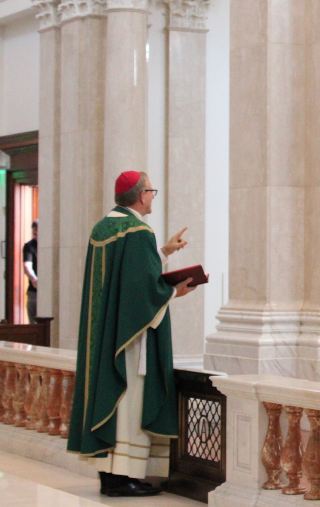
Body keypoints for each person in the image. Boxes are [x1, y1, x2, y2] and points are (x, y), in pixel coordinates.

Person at [67, 171, 200, 497]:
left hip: (107, 334)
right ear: (141, 196)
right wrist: (174, 293)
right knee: (129, 402)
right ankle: (124, 477)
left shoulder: (105, 227)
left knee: (114, 400)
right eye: (151, 191)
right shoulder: (138, 231)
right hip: (132, 340)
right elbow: (142, 289)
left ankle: (110, 475)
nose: (153, 196)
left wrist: (164, 252)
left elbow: (123, 277)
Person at [22, 220, 38, 323]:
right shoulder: (29, 246)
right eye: (34, 233)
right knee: (33, 324)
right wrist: (34, 279)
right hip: (34, 291)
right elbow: (27, 266)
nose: (36, 236)